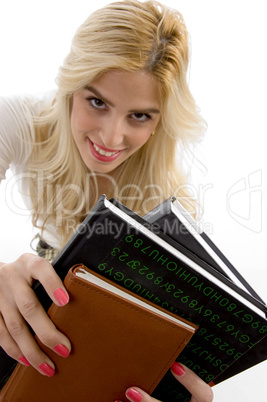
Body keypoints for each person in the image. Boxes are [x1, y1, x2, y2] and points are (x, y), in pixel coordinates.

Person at [0, 0, 213, 400]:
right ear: (71, 86)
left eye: (140, 116)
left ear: (161, 119)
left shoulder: (173, 203)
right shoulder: (20, 119)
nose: (111, 139)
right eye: (96, 102)